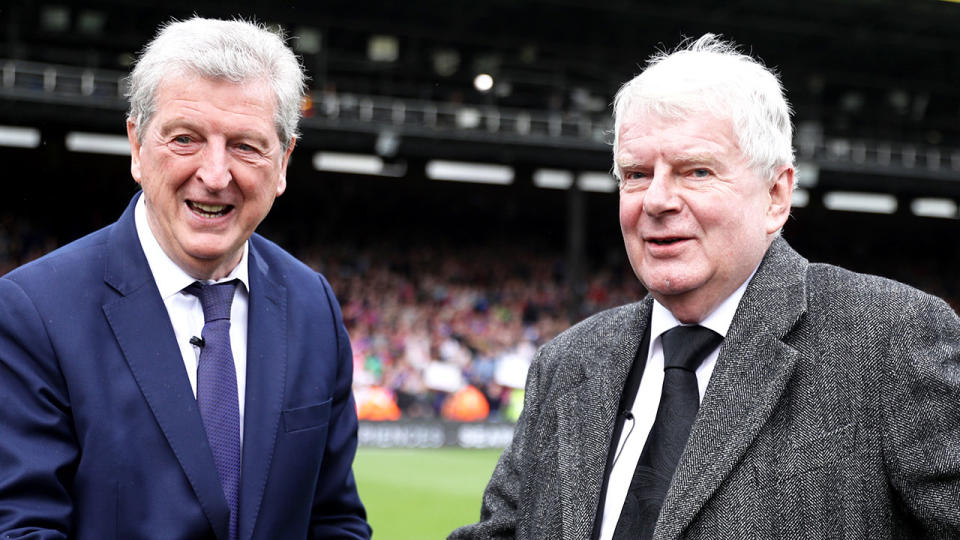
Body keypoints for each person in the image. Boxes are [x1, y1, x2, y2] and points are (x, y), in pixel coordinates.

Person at [450, 34, 960, 540]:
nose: (657, 200)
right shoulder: (566, 364)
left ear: (776, 196)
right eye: (636, 174)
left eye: (696, 171)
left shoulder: (891, 339)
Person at [0, 17, 370, 539]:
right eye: (185, 139)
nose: (215, 174)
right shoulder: (32, 313)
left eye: (246, 145)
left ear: (283, 162)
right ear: (137, 144)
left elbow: (334, 518)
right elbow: (22, 529)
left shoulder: (313, 305)